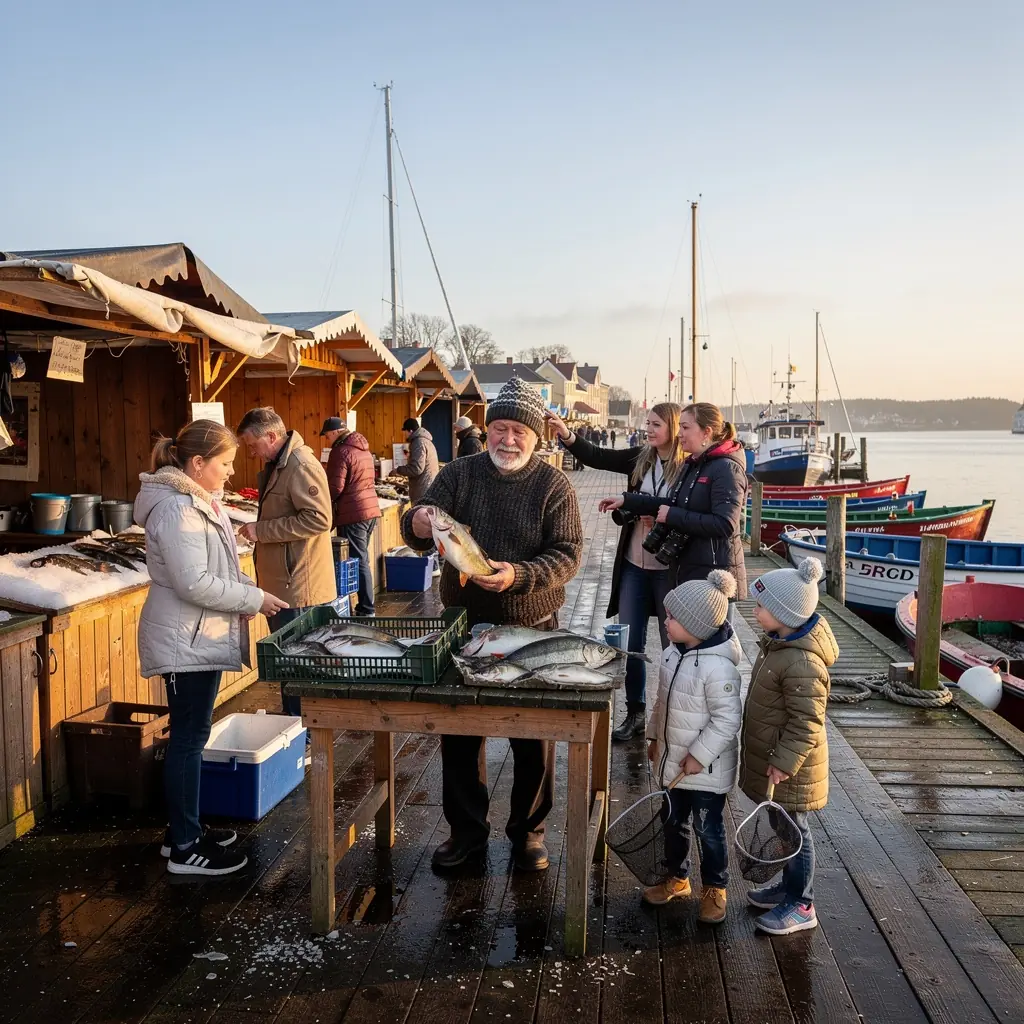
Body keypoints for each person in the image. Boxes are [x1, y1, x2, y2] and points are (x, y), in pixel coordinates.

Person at [402, 376, 583, 872]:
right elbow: (419, 526)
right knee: (460, 734)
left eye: (517, 431)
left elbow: (568, 555)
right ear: (488, 430)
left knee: (533, 735)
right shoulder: (460, 473)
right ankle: (467, 834)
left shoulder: (555, 485)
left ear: (535, 436)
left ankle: (528, 833)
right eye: (499, 428)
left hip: (532, 626)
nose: (507, 439)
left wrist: (520, 576)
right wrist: (415, 523)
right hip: (464, 623)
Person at [134, 420, 288, 875]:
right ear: (197, 464)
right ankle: (184, 847)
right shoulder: (178, 510)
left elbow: (218, 567)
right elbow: (193, 582)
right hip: (187, 638)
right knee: (188, 739)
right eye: (223, 464)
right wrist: (252, 598)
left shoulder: (198, 503)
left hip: (198, 634)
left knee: (193, 735)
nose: (229, 472)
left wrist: (249, 589)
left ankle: (186, 830)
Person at [545, 403, 685, 741]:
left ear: (675, 428)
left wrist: (657, 512)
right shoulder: (641, 458)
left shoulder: (688, 466)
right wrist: (567, 435)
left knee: (675, 644)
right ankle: (635, 712)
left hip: (671, 568)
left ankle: (672, 714)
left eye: (656, 425)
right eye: (647, 423)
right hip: (635, 564)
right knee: (631, 642)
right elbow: (597, 456)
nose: (649, 430)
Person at [740, 556, 838, 935]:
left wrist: (784, 761)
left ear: (786, 614)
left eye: (762, 606)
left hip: (793, 770)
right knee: (783, 829)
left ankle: (802, 902)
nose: (756, 610)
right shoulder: (779, 644)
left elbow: (807, 721)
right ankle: (788, 887)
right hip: (778, 763)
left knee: (796, 831)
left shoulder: (802, 662)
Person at [644, 569, 741, 924]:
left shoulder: (719, 669)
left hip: (705, 772)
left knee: (707, 829)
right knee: (673, 823)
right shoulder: (672, 654)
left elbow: (727, 721)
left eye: (673, 617)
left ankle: (715, 887)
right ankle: (678, 877)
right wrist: (655, 737)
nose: (666, 621)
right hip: (672, 764)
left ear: (697, 626)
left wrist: (699, 756)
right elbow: (662, 702)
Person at [237, 407, 336, 716]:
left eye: (253, 445)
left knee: (299, 663)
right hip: (285, 582)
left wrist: (261, 531)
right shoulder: (281, 463)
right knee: (291, 662)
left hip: (298, 585)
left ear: (271, 435)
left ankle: (303, 732)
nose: (252, 453)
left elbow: (320, 519)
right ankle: (298, 728)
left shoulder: (300, 464)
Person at [322, 416, 381, 617]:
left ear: (335, 432)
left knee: (358, 560)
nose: (326, 439)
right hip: (369, 509)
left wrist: (320, 499)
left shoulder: (340, 451)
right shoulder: (362, 448)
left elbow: (335, 487)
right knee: (362, 559)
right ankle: (366, 605)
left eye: (327, 435)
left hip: (352, 513)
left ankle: (366, 608)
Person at [395, 417, 440, 502]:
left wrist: (398, 470)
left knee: (420, 514)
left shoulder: (418, 443)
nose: (405, 434)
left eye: (405, 431)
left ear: (410, 431)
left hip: (422, 489)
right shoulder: (426, 441)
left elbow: (416, 469)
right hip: (428, 487)